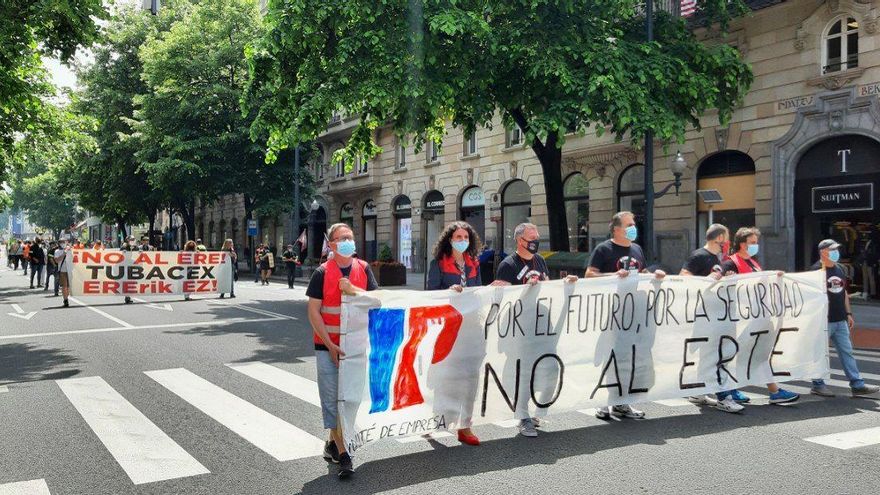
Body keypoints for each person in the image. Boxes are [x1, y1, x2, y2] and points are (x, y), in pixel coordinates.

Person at [306, 223, 378, 478]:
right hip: (328, 346)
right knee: (333, 401)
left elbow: (376, 301)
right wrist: (330, 345)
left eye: (350, 236)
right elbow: (314, 311)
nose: (348, 240)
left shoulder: (364, 269)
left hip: (355, 346)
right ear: (332, 244)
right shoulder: (322, 273)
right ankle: (345, 454)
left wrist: (352, 290)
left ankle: (332, 443)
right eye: (342, 237)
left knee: (349, 400)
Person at [494, 222, 578, 437]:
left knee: (549, 368)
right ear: (519, 240)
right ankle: (523, 417)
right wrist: (525, 289)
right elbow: (503, 299)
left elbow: (548, 288)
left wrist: (565, 284)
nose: (535, 242)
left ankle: (535, 410)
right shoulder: (508, 265)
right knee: (524, 372)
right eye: (531, 239)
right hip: (521, 326)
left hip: (542, 324)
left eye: (537, 238)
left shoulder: (540, 261)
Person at [584, 211, 666, 421]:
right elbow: (589, 274)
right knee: (611, 356)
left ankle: (622, 402)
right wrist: (612, 275)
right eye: (629, 224)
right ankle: (603, 402)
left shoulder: (636, 249)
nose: (633, 227)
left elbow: (642, 272)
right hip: (612, 311)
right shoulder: (604, 249)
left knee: (629, 356)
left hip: (634, 313)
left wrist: (653, 275)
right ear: (617, 229)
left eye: (633, 224)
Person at [426, 221, 489, 446]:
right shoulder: (439, 264)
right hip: (448, 327)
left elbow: (479, 290)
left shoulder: (474, 263)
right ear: (449, 239)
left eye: (466, 237)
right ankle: (436, 419)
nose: (462, 241)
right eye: (458, 237)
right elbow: (431, 294)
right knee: (446, 376)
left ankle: (465, 426)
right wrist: (448, 292)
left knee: (471, 378)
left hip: (472, 327)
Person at [720, 227, 800, 404]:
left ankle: (770, 391)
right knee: (740, 355)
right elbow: (719, 284)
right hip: (740, 319)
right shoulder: (730, 263)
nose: (756, 246)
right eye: (753, 243)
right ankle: (733, 390)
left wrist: (774, 277)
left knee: (758, 354)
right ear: (742, 244)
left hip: (757, 318)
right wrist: (728, 278)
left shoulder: (754, 263)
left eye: (756, 242)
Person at [679, 224, 744, 413]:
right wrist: (708, 278)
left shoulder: (718, 258)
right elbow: (684, 277)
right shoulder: (699, 256)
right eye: (727, 238)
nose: (728, 242)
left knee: (710, 355)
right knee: (718, 355)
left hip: (715, 314)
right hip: (706, 315)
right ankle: (724, 397)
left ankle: (700, 390)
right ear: (719, 239)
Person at [809, 239, 880, 398]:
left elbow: (844, 293)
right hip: (823, 320)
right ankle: (817, 384)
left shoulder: (839, 269)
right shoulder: (815, 271)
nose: (836, 252)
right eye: (832, 249)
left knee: (847, 352)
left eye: (836, 249)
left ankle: (857, 384)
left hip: (840, 319)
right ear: (823, 252)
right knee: (820, 354)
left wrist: (848, 314)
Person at [54, 240, 71, 307]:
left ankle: (66, 297)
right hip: (62, 271)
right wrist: (64, 253)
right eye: (61, 242)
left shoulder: (70, 250)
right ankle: (65, 300)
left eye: (64, 242)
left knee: (69, 287)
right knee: (64, 286)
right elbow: (57, 260)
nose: (63, 243)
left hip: (70, 271)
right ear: (59, 244)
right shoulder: (57, 251)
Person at [121, 236, 137, 304]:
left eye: (133, 239)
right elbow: (123, 255)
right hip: (124, 265)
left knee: (130, 280)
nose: (132, 240)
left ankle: (127, 296)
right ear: (127, 240)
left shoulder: (133, 246)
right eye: (131, 239)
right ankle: (127, 296)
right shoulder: (124, 246)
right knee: (126, 280)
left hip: (129, 265)